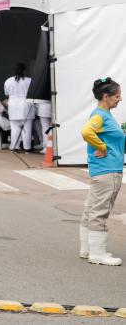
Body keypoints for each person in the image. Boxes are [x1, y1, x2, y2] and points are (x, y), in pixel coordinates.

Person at [78, 78, 125, 266]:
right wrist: (102, 147)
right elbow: (86, 132)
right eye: (117, 95)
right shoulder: (100, 116)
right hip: (108, 170)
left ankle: (87, 249)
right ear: (106, 96)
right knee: (100, 211)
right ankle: (97, 254)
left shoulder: (102, 114)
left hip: (101, 169)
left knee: (91, 208)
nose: (120, 99)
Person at [5, 63, 35, 153]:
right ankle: (27, 148)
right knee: (27, 128)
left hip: (13, 105)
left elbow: (6, 93)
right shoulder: (29, 80)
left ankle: (15, 147)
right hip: (26, 104)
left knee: (14, 128)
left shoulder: (8, 81)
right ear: (24, 70)